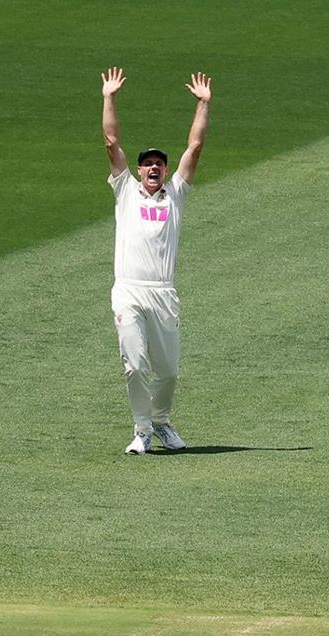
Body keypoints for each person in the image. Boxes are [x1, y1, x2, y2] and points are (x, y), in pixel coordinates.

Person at [100, 66, 211, 453]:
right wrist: (109, 96)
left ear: (164, 170)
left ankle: (161, 423)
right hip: (129, 290)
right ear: (140, 170)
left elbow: (194, 148)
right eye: (146, 164)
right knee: (134, 363)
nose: (151, 168)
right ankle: (142, 430)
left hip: (163, 294)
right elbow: (112, 142)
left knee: (168, 372)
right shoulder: (126, 191)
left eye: (158, 164)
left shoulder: (175, 195)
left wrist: (203, 105)